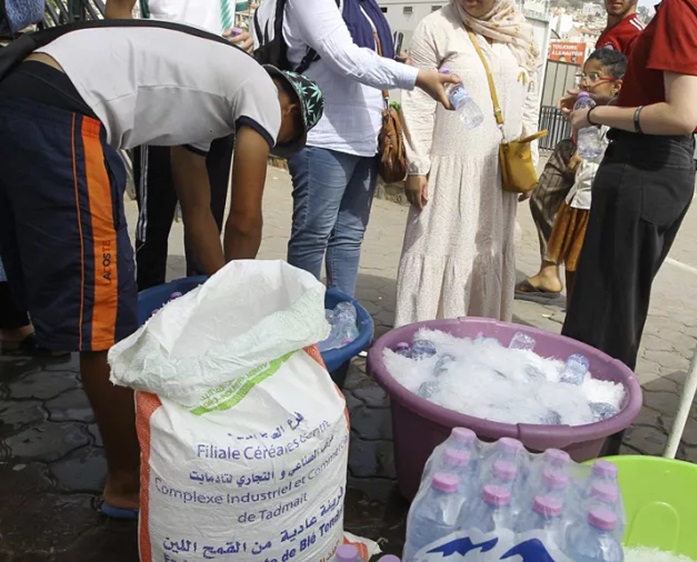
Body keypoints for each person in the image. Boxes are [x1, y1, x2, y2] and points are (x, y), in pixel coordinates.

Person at [0, 22, 322, 517]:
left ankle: (15, 325)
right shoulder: (260, 86)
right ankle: (128, 481)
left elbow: (197, 213)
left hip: (22, 95)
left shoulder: (201, 112)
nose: (272, 146)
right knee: (106, 309)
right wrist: (242, 321)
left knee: (35, 258)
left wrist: (219, 296)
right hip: (66, 105)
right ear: (289, 109)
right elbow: (243, 218)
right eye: (284, 140)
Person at [561, 0, 697, 370]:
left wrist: (595, 114)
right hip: (655, 167)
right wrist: (608, 102)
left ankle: (589, 418)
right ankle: (594, 414)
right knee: (614, 303)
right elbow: (662, 99)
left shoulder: (682, 8)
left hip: (643, 167)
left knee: (603, 310)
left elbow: (680, 114)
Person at [254, 0, 459, 297]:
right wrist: (416, 77)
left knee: (348, 239)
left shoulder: (364, 5)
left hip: (365, 137)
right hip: (324, 137)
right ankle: (301, 327)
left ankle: (342, 320)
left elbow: (368, 58)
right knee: (313, 238)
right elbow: (345, 57)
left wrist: (400, 66)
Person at [394, 0, 541, 325]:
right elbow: (417, 100)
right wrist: (418, 166)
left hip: (499, 174)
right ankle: (423, 339)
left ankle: (479, 343)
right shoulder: (437, 27)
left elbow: (530, 96)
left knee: (486, 256)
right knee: (438, 248)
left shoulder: (522, 33)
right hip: (447, 172)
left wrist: (528, 156)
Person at [105, 0, 255, 291]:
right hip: (164, 105)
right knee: (154, 224)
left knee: (208, 215)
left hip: (217, 101)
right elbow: (116, 17)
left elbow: (234, 26)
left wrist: (246, 41)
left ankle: (200, 306)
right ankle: (145, 311)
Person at [516, 0, 643, 297]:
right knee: (543, 197)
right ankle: (550, 270)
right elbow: (599, 86)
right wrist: (582, 95)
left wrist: (589, 145)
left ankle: (580, 297)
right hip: (582, 133)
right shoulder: (610, 32)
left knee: (584, 232)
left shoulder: (636, 35)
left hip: (598, 146)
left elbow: (627, 96)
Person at [545, 49, 625, 305]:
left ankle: (581, 324)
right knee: (571, 266)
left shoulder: (619, 118)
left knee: (586, 271)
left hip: (596, 204)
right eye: (584, 75)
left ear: (616, 86)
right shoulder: (590, 111)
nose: (585, 82)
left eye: (594, 76)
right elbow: (586, 149)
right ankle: (572, 318)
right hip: (577, 200)